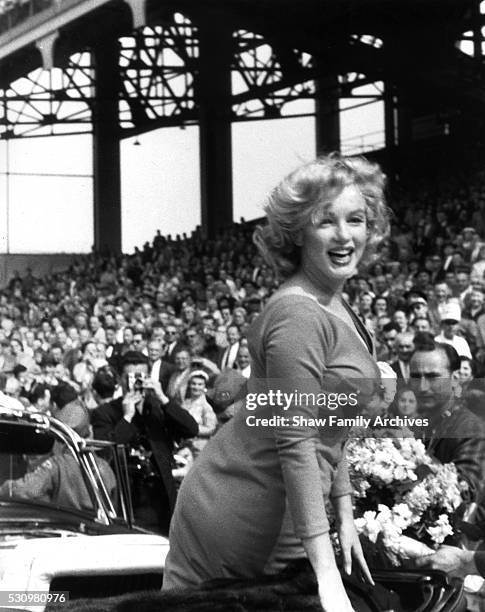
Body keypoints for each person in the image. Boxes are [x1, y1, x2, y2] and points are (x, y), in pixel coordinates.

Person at [163, 155, 388, 612]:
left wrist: (344, 514)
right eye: (326, 222)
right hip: (246, 510)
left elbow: (333, 423)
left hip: (282, 507)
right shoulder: (299, 314)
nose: (345, 236)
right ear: (298, 234)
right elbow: (298, 440)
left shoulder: (337, 306)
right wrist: (326, 576)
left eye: (356, 219)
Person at [91, 351, 198, 534]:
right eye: (130, 377)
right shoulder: (106, 412)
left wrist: (163, 399)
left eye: (141, 376)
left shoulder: (158, 408)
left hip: (161, 497)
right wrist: (127, 417)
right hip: (128, 498)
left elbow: (191, 429)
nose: (135, 382)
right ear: (120, 380)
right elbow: (103, 452)